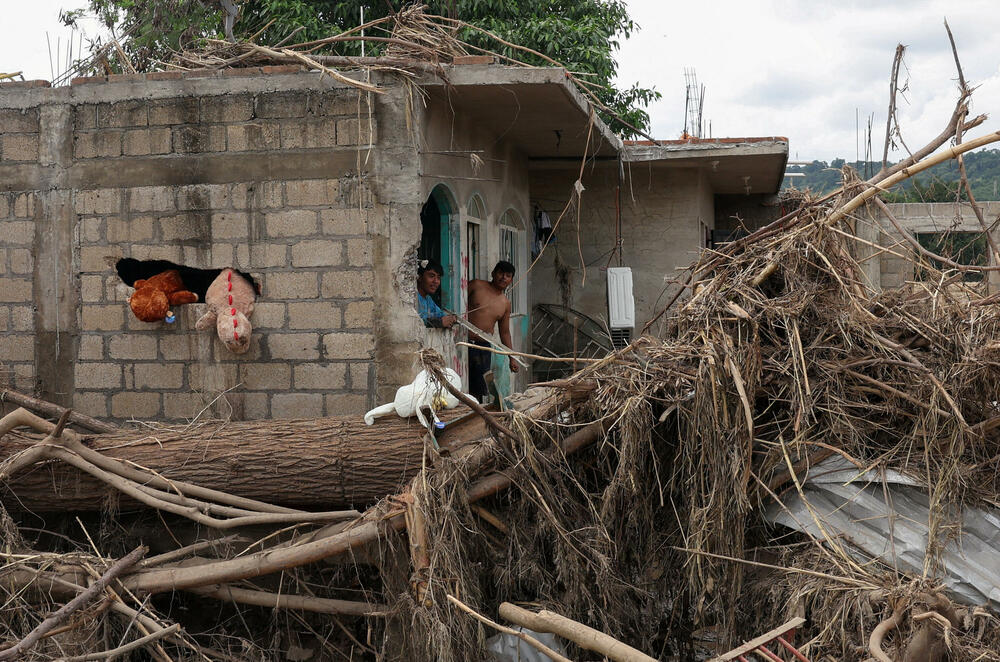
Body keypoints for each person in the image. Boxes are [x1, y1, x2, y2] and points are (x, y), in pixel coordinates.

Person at [467, 260, 518, 402]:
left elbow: (505, 332)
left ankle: (475, 415)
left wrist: (511, 357)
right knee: (462, 384)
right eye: (501, 273)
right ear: (493, 274)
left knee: (479, 387)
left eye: (508, 275)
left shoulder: (505, 303)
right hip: (464, 343)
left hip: (483, 348)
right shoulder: (476, 285)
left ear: (511, 280)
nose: (503, 277)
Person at [417, 260, 456, 329]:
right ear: (419, 277)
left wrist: (450, 319)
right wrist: (439, 322)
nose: (436, 281)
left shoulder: (428, 299)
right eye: (431, 276)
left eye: (438, 278)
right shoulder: (412, 297)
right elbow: (413, 322)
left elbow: (440, 314)